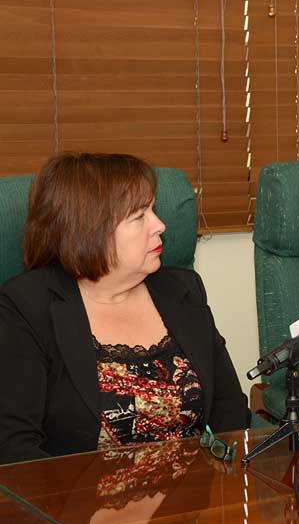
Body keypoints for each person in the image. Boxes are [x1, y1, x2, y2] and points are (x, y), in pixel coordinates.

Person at [0, 153, 248, 464]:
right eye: (139, 216)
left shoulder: (183, 291)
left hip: (190, 499)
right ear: (90, 230)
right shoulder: (26, 307)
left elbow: (230, 411)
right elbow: (15, 449)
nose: (160, 225)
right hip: (76, 504)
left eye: (153, 210)